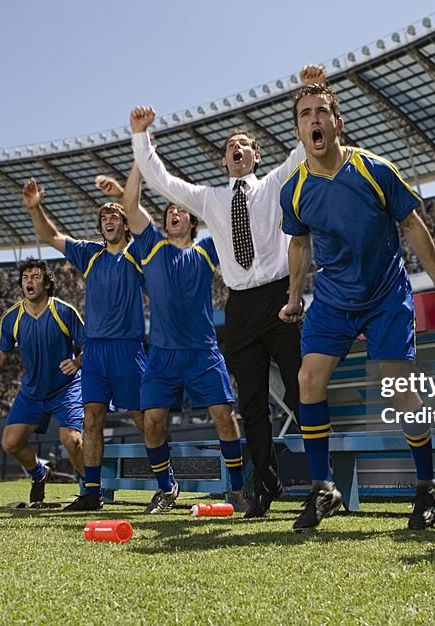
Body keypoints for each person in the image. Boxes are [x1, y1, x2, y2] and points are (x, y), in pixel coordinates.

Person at [128, 65, 324, 518]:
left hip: (280, 298)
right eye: (230, 148)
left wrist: (314, 90)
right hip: (240, 308)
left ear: (255, 157)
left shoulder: (275, 183)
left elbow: (308, 143)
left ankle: (321, 482)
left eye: (244, 146)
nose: (237, 150)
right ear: (224, 162)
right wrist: (142, 136)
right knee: (252, 404)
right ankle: (265, 491)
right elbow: (163, 182)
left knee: (301, 392)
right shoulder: (210, 199)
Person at [278, 82, 435, 531]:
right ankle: (323, 488)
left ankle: (427, 486)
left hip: (385, 295)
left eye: (322, 111)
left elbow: (412, 226)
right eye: (305, 114)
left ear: (338, 122)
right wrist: (295, 296)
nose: (314, 119)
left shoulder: (375, 169)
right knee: (307, 381)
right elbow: (299, 244)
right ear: (298, 131)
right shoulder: (294, 190)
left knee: (396, 390)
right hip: (333, 299)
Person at [100, 117, 248, 514]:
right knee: (152, 421)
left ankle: (236, 488)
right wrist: (141, 152)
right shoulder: (150, 248)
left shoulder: (206, 250)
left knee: (224, 416)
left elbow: (240, 231)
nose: (174, 214)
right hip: (162, 355)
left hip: (202, 352)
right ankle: (167, 488)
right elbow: (130, 206)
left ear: (191, 219)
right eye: (168, 211)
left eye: (181, 211)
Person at [22, 178, 146, 511]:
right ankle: (92, 491)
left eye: (115, 216)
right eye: (104, 217)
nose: (109, 220)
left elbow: (145, 227)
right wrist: (36, 208)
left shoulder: (138, 252)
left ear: (125, 224)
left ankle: (166, 484)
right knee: (91, 419)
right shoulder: (89, 254)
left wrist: (125, 199)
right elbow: (51, 236)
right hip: (95, 351)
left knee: (141, 416)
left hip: (128, 348)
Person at [0, 258, 85, 505]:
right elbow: (1, 351)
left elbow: (90, 344)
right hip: (33, 392)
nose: (29, 281)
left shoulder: (64, 311)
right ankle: (39, 474)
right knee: (10, 443)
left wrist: (76, 363)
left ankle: (91, 489)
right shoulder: (12, 317)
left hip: (67, 388)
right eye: (25, 278)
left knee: (72, 440)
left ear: (46, 283)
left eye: (35, 277)